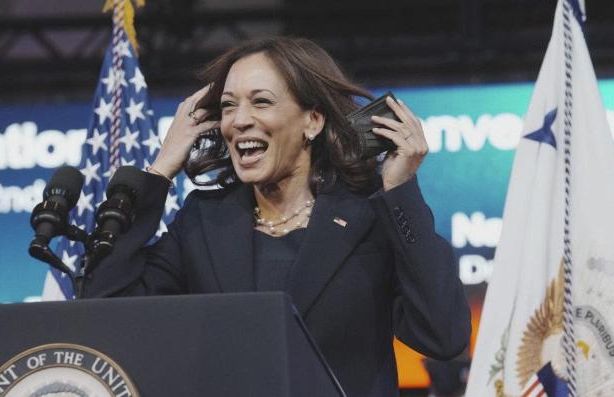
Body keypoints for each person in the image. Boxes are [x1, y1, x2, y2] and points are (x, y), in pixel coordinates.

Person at [84, 37, 471, 397]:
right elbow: (106, 311)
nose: (239, 120)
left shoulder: (367, 216)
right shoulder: (204, 219)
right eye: (229, 105)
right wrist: (160, 171)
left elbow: (444, 335)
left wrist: (401, 191)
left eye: (261, 102)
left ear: (312, 121)